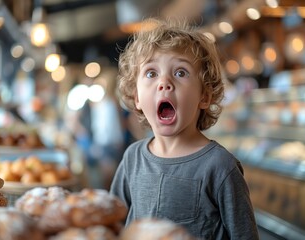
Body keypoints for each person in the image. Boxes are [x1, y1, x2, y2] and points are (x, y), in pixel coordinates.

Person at [110, 17, 259, 239]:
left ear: (204, 96)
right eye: (151, 73)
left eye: (180, 72)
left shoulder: (220, 167)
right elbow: (112, 223)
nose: (164, 82)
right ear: (136, 97)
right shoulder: (132, 158)